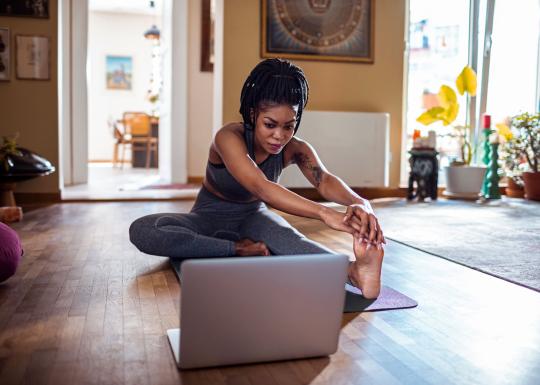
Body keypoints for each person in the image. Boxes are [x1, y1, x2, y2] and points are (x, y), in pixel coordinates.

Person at [130, 58, 385, 298]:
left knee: (291, 240)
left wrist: (360, 202)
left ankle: (354, 272)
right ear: (253, 115)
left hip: (254, 219)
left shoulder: (296, 149)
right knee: (144, 230)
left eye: (289, 126)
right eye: (270, 124)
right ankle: (237, 248)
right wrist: (325, 213)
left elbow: (324, 180)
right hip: (207, 219)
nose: (280, 136)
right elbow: (261, 186)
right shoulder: (228, 138)